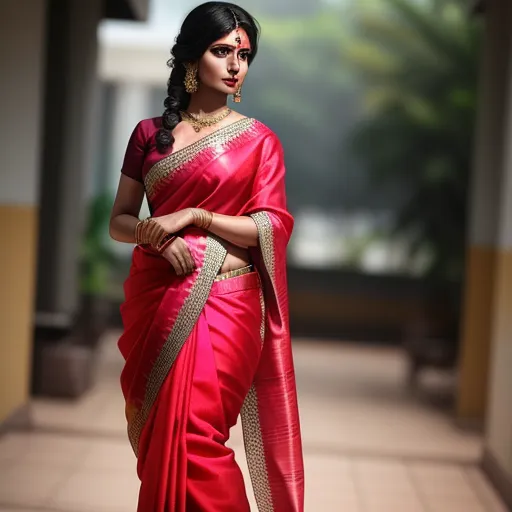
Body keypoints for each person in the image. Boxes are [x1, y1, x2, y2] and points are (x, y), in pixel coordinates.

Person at [109, 2, 304, 511]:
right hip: (160, 299)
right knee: (163, 436)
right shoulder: (149, 136)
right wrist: (157, 237)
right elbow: (120, 221)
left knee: (198, 437)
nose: (236, 64)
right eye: (223, 51)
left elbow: (271, 225)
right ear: (193, 58)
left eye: (245, 54)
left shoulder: (260, 141)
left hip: (231, 305)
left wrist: (196, 217)